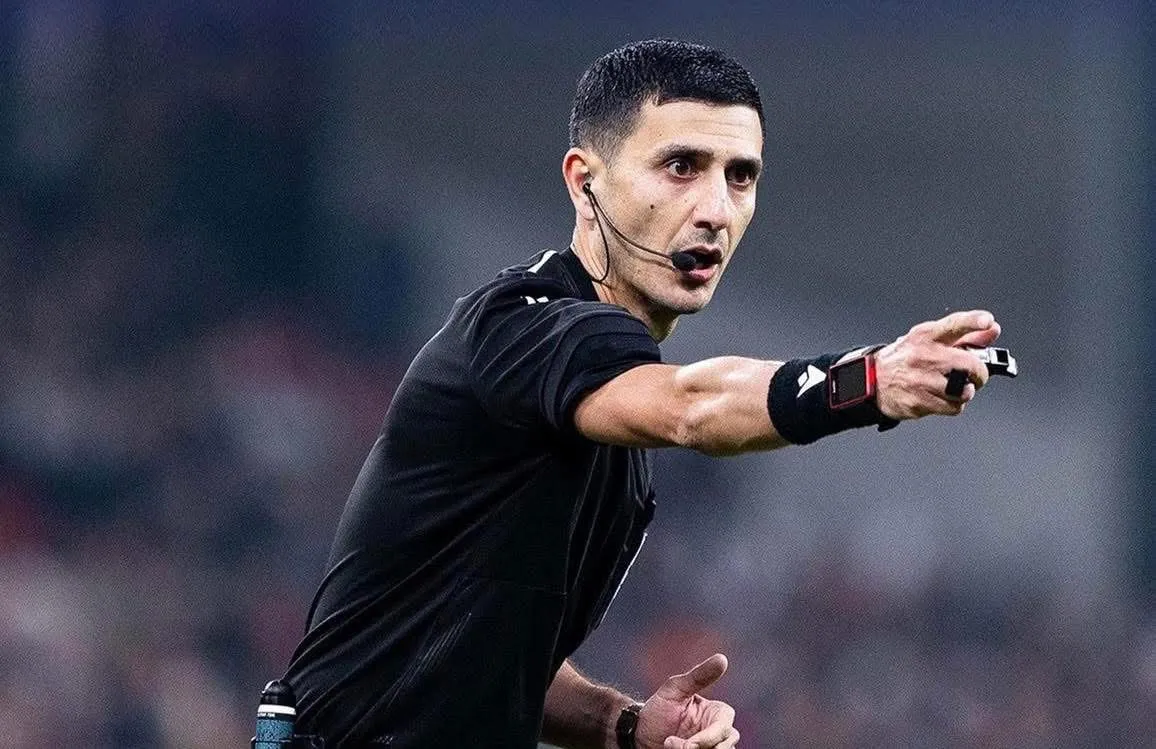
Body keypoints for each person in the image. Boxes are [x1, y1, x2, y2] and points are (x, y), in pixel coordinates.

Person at [283, 39, 1001, 749]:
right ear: (583, 182)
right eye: (681, 167)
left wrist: (621, 725)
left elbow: (495, 658)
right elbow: (694, 407)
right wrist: (869, 380)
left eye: (740, 176)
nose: (715, 208)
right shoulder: (521, 327)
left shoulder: (604, 417)